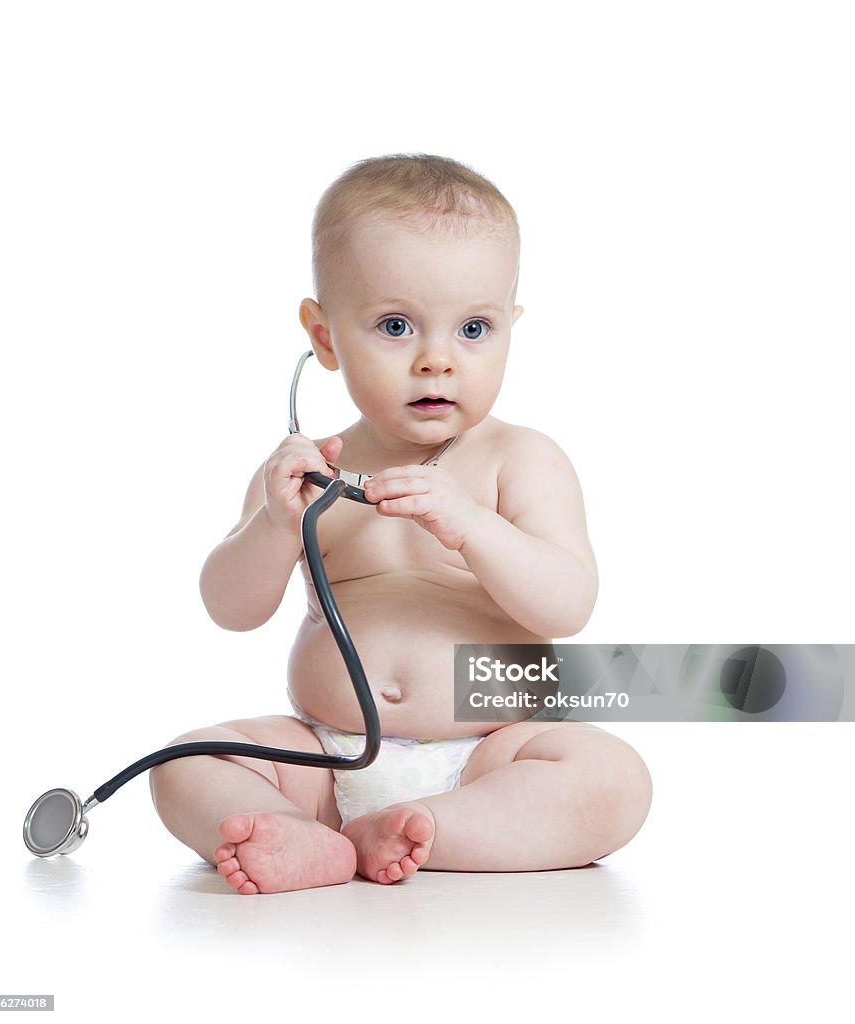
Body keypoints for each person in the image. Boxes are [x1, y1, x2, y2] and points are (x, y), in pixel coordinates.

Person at [149, 153, 652, 894]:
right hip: (325, 756)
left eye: (474, 328)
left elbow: (567, 604)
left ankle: (437, 825)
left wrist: (473, 527)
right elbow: (230, 607)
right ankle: (298, 832)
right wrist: (273, 528)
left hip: (486, 758)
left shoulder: (520, 460)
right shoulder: (309, 467)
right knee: (188, 760)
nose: (436, 362)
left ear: (511, 328)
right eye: (395, 326)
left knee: (611, 777)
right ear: (323, 338)